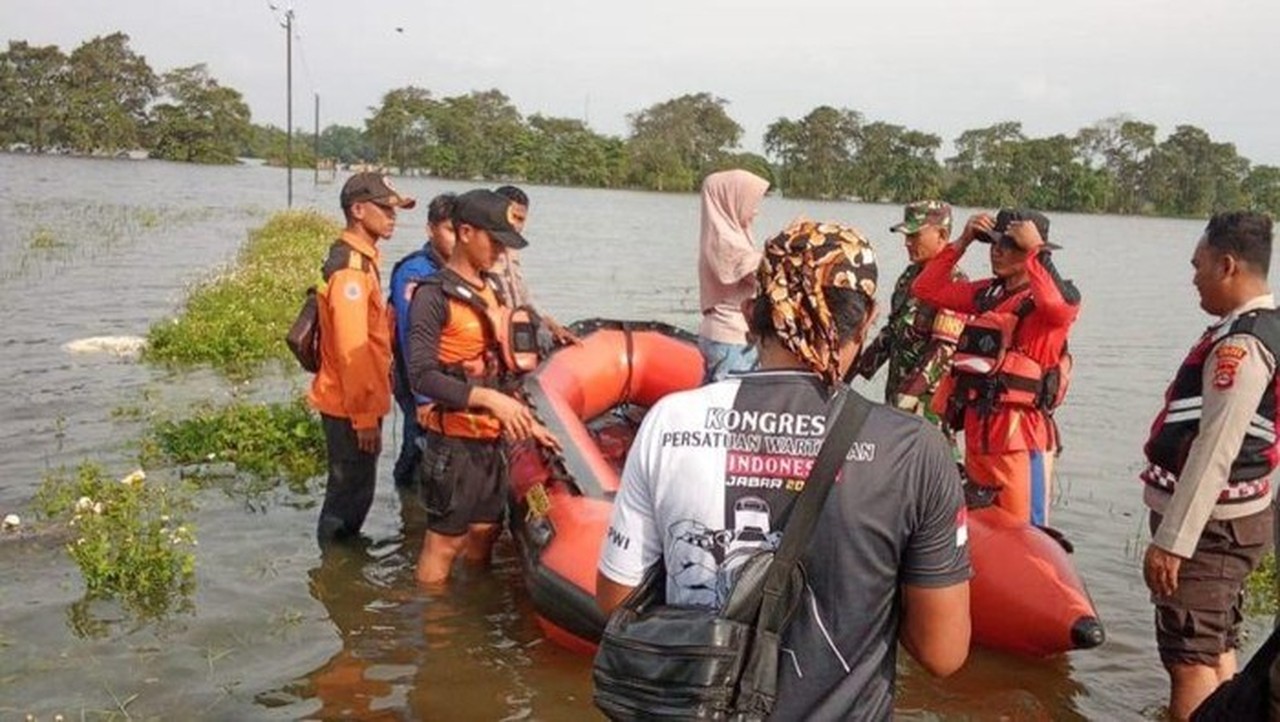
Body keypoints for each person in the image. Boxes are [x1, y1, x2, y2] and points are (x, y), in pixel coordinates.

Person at [597, 220, 971, 719]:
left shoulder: (671, 419)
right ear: (867, 321)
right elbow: (942, 653)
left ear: (754, 314)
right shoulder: (912, 448)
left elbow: (617, 598)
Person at [1139, 212, 1277, 722]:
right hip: (1231, 528)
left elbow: (1216, 448)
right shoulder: (1261, 328)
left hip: (1209, 532)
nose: (1192, 276)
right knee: (1216, 648)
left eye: (1198, 266)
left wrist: (1173, 540)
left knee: (1189, 661)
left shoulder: (1241, 345)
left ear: (1227, 265)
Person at [406, 188, 560, 585]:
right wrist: (487, 399)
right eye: (495, 242)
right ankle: (435, 632)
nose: (501, 253)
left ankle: (472, 616)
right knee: (444, 544)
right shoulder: (431, 295)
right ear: (465, 232)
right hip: (454, 447)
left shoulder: (490, 290)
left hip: (492, 443)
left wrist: (527, 422)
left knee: (484, 534)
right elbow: (420, 374)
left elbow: (500, 372)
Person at [912, 209, 1080, 527]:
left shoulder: (1050, 304)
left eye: (1010, 245)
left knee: (1028, 537)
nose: (997, 250)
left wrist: (1037, 251)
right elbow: (926, 289)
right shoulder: (988, 294)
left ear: (1032, 250)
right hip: (979, 436)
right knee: (982, 528)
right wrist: (962, 242)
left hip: (1019, 442)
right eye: (992, 242)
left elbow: (1058, 307)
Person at [308, 172, 415, 543]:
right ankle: (337, 578)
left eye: (394, 209)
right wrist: (365, 417)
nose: (392, 216)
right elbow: (351, 351)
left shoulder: (362, 260)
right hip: (349, 407)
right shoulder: (351, 271)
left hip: (350, 403)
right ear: (357, 210)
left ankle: (336, 576)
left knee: (352, 493)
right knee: (347, 502)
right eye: (384, 208)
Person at [855, 200, 967, 437]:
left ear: (942, 235)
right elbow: (893, 332)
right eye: (906, 236)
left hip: (927, 408)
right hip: (898, 402)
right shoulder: (909, 277)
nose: (907, 242)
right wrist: (849, 373)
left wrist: (906, 398)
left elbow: (942, 350)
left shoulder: (953, 283)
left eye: (915, 235)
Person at [388, 192, 457, 490]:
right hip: (417, 380)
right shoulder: (416, 272)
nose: (457, 239)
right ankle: (408, 509)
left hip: (443, 379)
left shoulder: (456, 270)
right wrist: (424, 397)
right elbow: (409, 335)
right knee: (417, 446)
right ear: (431, 229)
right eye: (450, 230)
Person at [697, 168, 770, 383]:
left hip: (725, 335)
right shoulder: (726, 243)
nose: (756, 211)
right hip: (731, 339)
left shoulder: (726, 235)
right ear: (731, 201)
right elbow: (764, 273)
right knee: (733, 406)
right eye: (752, 203)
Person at [489, 185, 578, 346]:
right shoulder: (483, 251)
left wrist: (550, 323)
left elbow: (524, 299)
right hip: (498, 334)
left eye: (521, 219)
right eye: (512, 217)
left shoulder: (512, 250)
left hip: (517, 329)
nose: (516, 225)